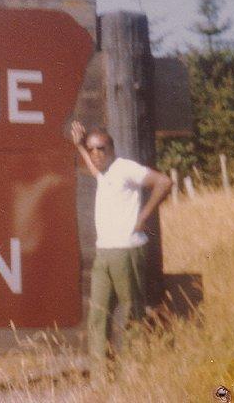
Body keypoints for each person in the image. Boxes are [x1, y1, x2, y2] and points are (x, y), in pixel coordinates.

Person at [69, 121, 172, 375]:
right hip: (104, 252)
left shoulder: (126, 168)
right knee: (98, 313)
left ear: (111, 149)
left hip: (127, 250)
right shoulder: (104, 172)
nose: (96, 154)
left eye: (100, 149)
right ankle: (100, 377)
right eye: (92, 149)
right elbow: (95, 170)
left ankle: (132, 372)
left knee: (130, 313)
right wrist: (80, 146)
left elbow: (164, 182)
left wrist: (143, 217)